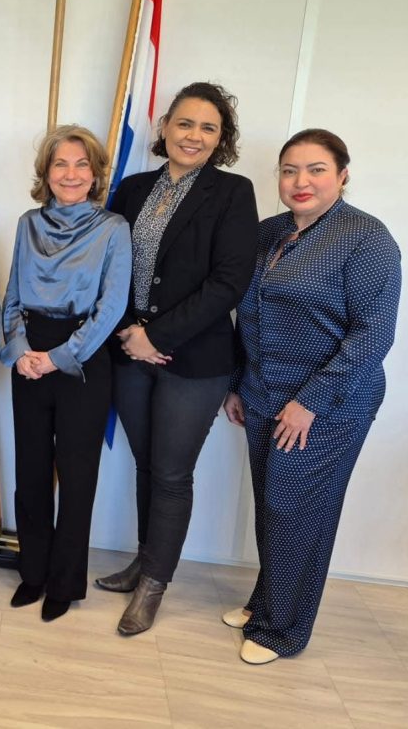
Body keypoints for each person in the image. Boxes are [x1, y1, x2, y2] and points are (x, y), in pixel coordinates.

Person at [222, 128, 400, 664]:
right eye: (289, 170)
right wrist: (237, 384)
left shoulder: (366, 238)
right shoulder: (268, 232)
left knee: (299, 511)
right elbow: (248, 313)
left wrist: (311, 402)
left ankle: (282, 631)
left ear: (342, 176)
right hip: (263, 392)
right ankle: (265, 603)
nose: (301, 181)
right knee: (273, 504)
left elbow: (373, 334)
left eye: (316, 169)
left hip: (330, 403)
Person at [95, 82, 258, 635]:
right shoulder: (134, 187)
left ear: (221, 139)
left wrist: (157, 336)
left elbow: (229, 282)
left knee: (170, 472)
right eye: (185, 123)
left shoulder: (233, 193)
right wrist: (130, 332)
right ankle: (144, 561)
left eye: (208, 128)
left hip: (195, 359)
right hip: (129, 350)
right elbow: (110, 266)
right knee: (147, 464)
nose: (194, 136)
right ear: (165, 127)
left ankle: (154, 585)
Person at [1, 124, 131, 623]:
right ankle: (33, 572)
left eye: (82, 165)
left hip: (83, 360)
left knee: (77, 478)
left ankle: (64, 581)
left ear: (95, 174)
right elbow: (13, 295)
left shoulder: (112, 228)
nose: (71, 174)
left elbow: (111, 306)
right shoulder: (27, 223)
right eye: (61, 164)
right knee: (30, 471)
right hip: (29, 358)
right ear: (46, 172)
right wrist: (20, 350)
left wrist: (58, 357)